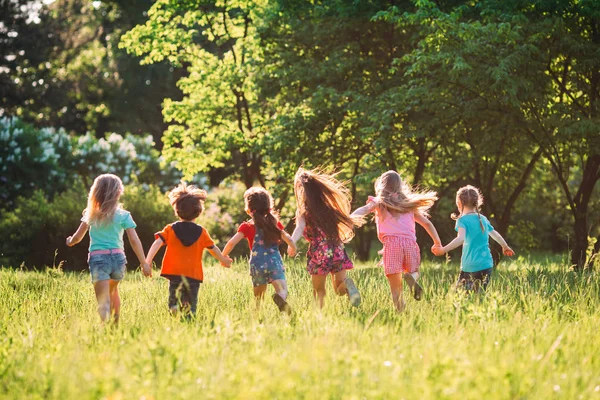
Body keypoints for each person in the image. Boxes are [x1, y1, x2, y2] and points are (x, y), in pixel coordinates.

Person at [351, 171, 441, 312]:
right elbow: (427, 223)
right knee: (414, 271)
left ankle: (400, 313)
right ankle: (411, 277)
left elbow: (363, 210)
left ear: (382, 185)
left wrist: (349, 219)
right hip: (410, 244)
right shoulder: (408, 205)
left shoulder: (379, 203)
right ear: (400, 185)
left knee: (396, 289)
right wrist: (437, 242)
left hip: (392, 246)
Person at [66, 174, 148, 323]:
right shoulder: (124, 215)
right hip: (118, 259)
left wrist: (70, 241)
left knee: (103, 300)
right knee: (113, 291)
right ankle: (115, 327)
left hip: (99, 259)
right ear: (118, 193)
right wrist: (144, 263)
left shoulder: (91, 214)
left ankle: (105, 328)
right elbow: (134, 241)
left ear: (95, 193)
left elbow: (77, 237)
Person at [145, 183, 232, 317]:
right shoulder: (202, 232)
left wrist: (148, 261)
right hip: (193, 274)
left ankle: (175, 308)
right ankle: (187, 311)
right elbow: (213, 248)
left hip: (174, 272)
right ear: (198, 211)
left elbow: (157, 243)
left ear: (177, 210)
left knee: (174, 298)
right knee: (191, 304)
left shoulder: (170, 229)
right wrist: (223, 260)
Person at [289, 167, 364, 308]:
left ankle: (320, 315)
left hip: (319, 253)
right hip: (337, 249)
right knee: (339, 289)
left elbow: (299, 227)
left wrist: (292, 243)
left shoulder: (304, 211)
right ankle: (347, 286)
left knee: (319, 290)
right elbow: (349, 219)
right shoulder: (330, 208)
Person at [222, 187, 297, 314]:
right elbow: (287, 238)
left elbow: (231, 242)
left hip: (257, 265)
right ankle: (280, 298)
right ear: (269, 207)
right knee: (282, 289)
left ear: (248, 209)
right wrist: (293, 247)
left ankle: (257, 318)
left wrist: (223, 256)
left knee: (258, 298)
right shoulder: (274, 223)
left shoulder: (247, 226)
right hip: (274, 263)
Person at [432, 185, 515, 292]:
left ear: (459, 203)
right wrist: (505, 246)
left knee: (460, 295)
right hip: (486, 264)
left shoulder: (462, 220)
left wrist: (444, 249)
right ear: (477, 203)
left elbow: (460, 239)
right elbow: (495, 234)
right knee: (478, 296)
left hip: (470, 266)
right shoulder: (483, 219)